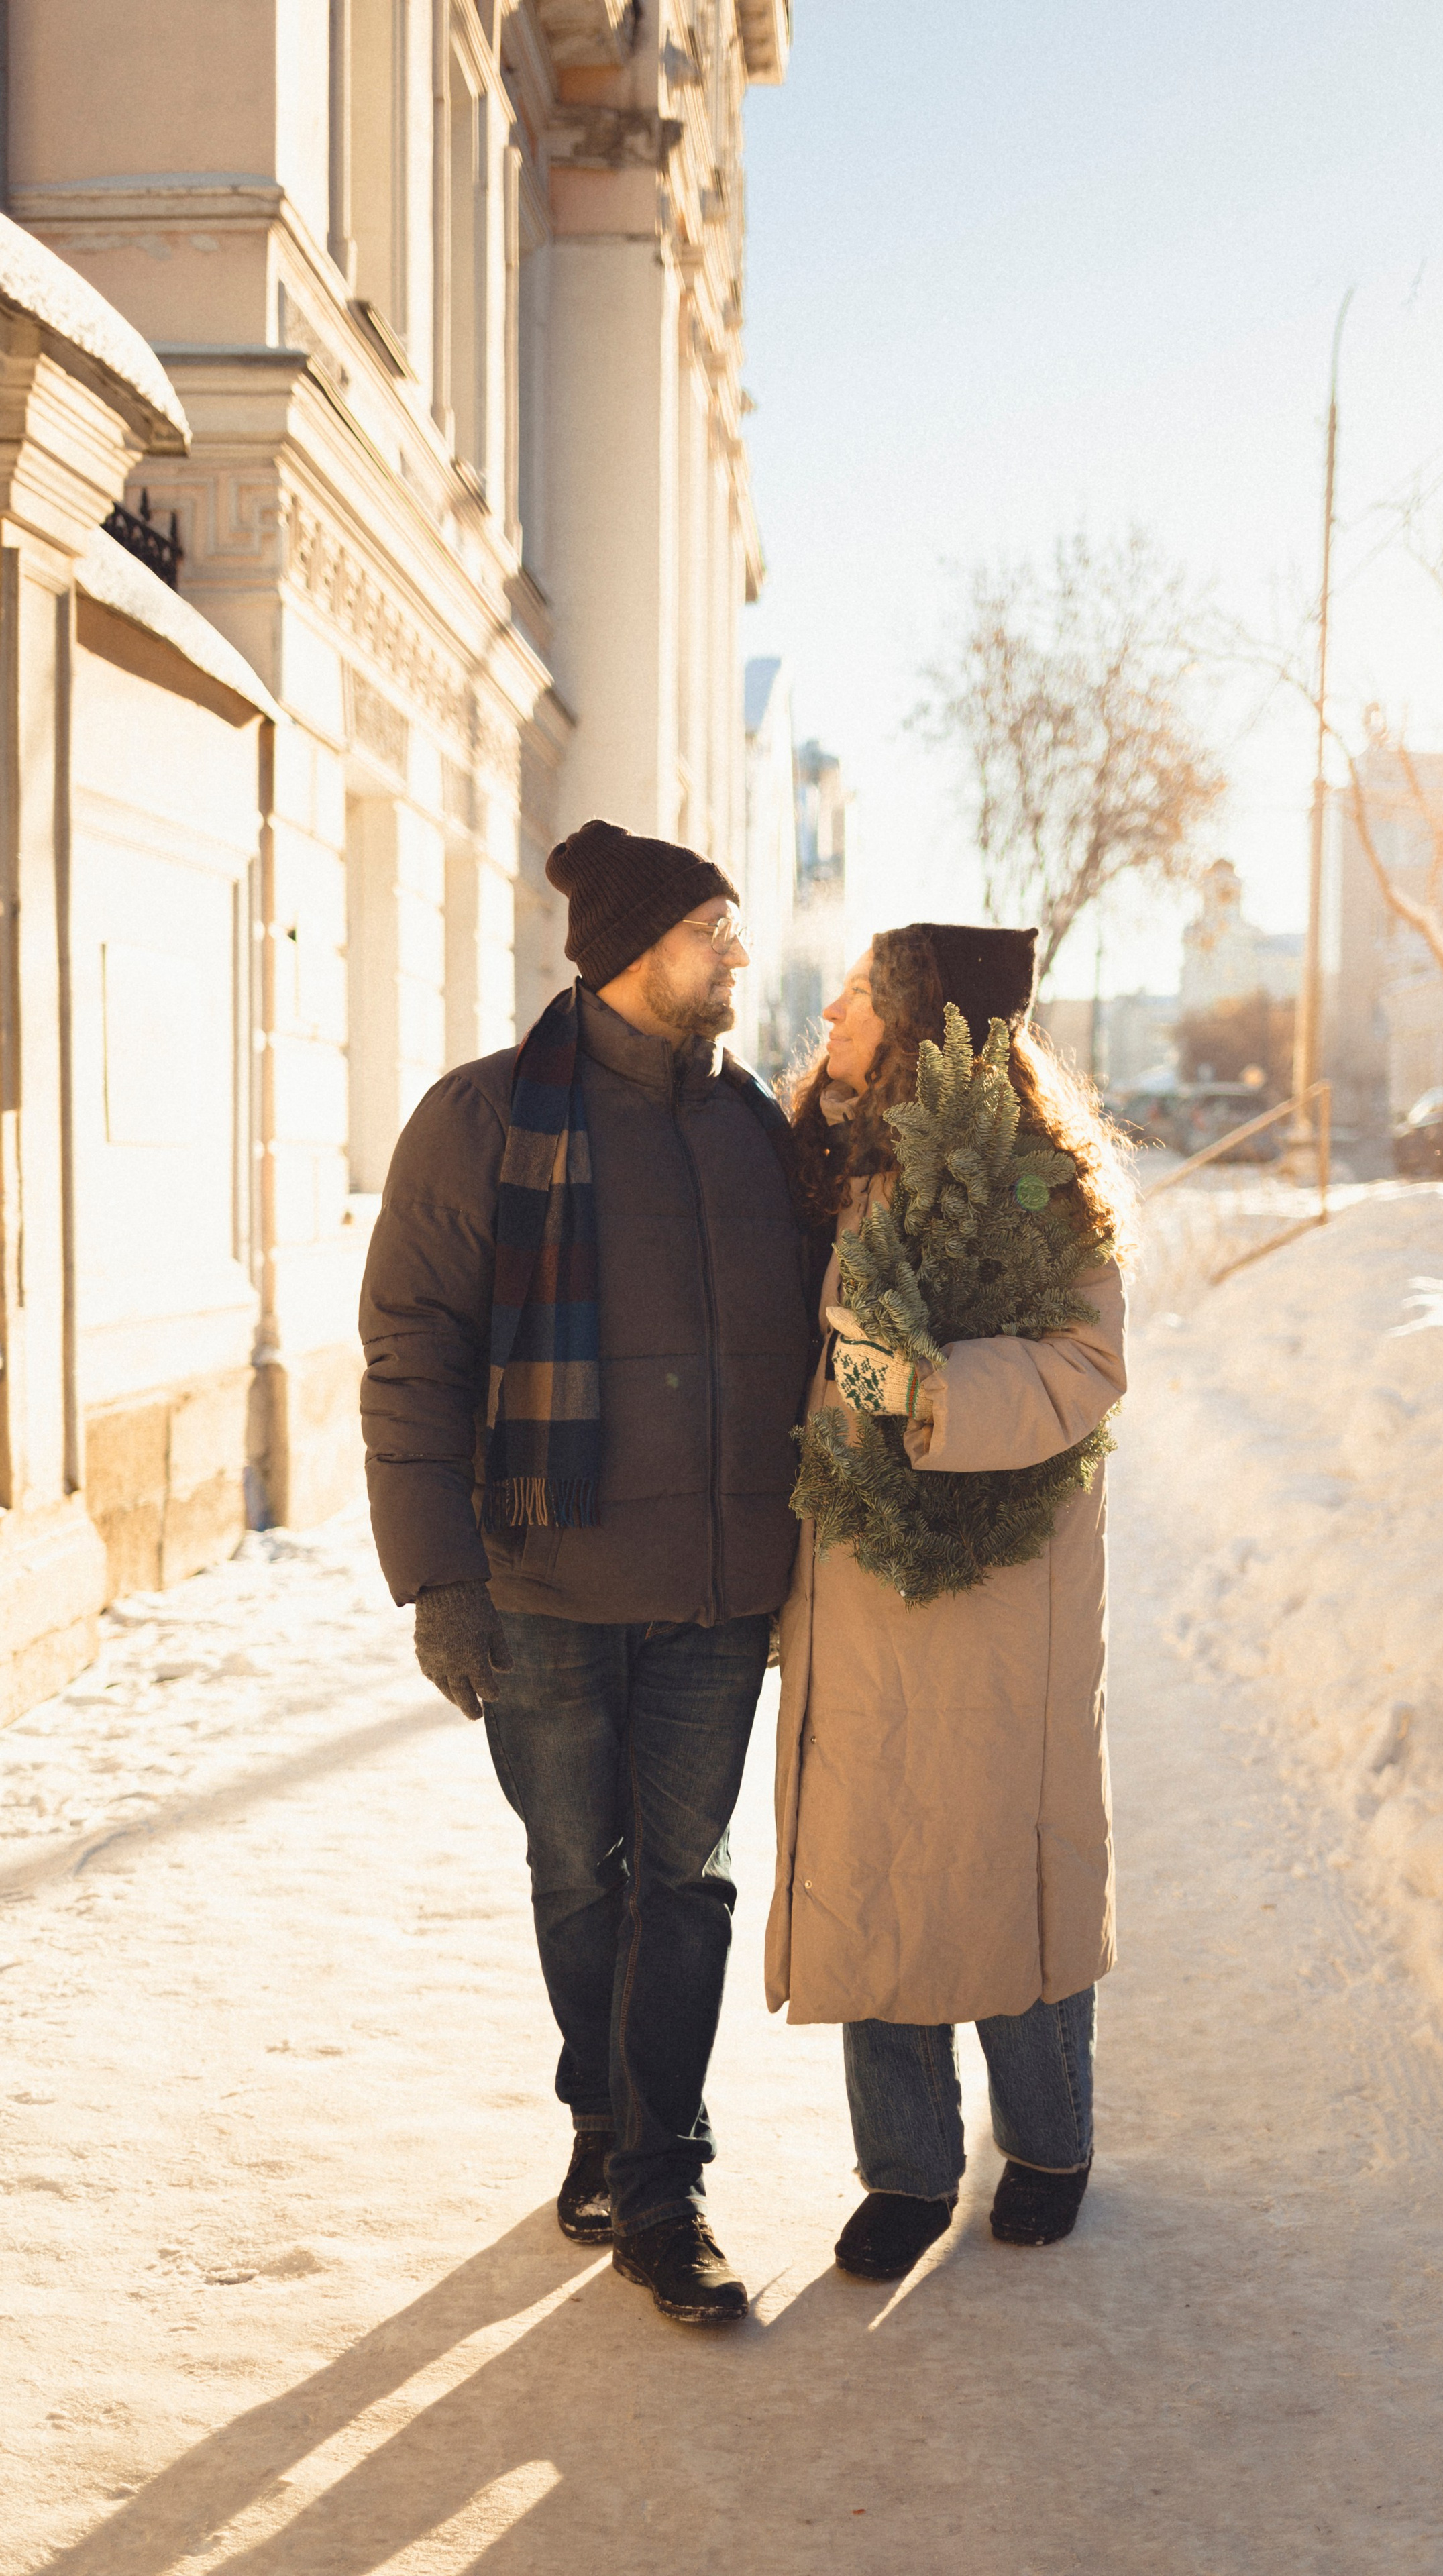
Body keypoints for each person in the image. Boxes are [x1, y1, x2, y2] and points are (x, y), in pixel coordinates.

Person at [359, 818, 811, 2328]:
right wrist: (438, 1582)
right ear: (627, 952)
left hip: (711, 1587)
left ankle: (661, 2177)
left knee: (684, 1883)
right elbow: (412, 1355)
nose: (735, 953)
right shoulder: (484, 1121)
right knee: (577, 1876)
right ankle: (599, 2126)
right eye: (709, 930)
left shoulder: (760, 1133)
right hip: (543, 1584)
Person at [767, 922, 1127, 2282]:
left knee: (998, 1846)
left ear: (924, 1022)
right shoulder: (824, 1162)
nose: (836, 1005)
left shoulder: (1037, 1184)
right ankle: (907, 2170)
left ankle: (1047, 2141)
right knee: (874, 1852)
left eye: (866, 988)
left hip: (995, 1573)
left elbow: (1083, 1363)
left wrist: (916, 1392)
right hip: (855, 1569)